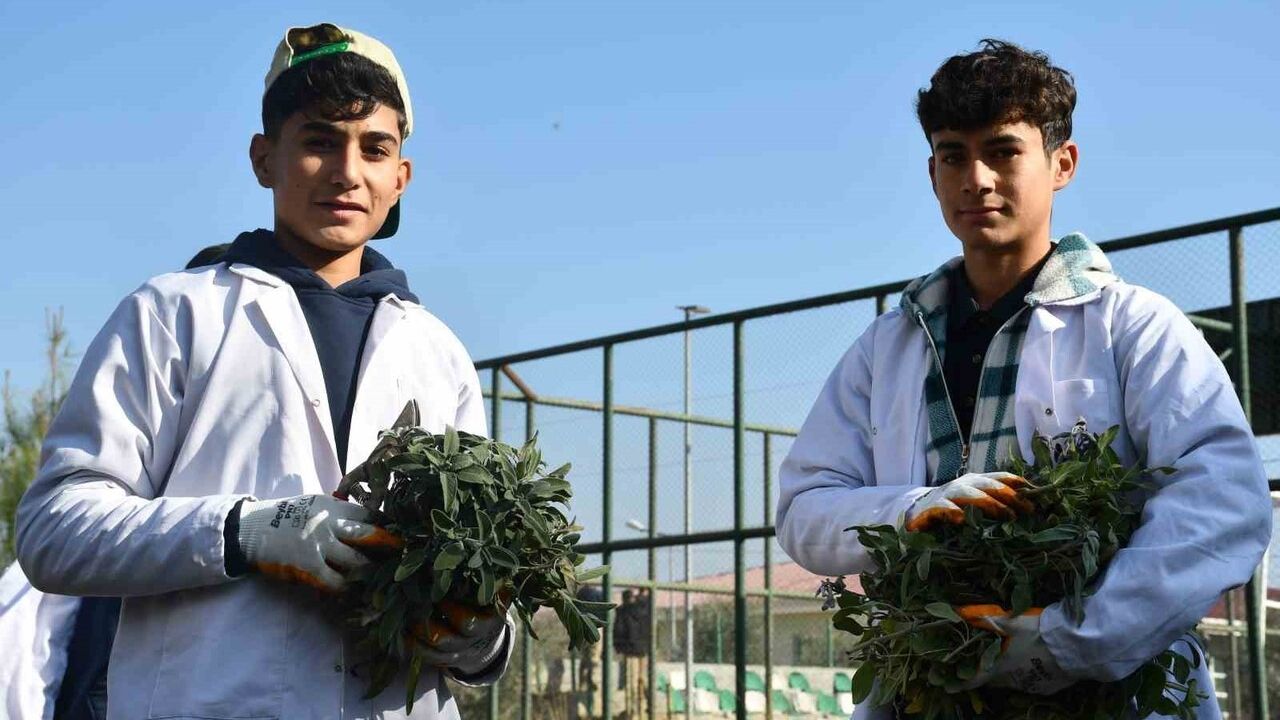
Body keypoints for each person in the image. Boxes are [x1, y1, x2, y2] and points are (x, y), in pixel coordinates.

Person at [17, 23, 511, 719]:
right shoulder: (175, 314)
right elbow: (53, 532)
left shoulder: (439, 353)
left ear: (401, 178)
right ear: (263, 158)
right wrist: (244, 533)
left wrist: (483, 640)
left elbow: (472, 571)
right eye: (318, 142)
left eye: (375, 149)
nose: (348, 172)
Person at [776, 39, 1271, 719]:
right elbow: (805, 507)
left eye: (1002, 151)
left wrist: (1067, 639)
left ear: (1061, 163)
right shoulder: (886, 346)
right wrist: (918, 510)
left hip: (1117, 695)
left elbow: (1224, 500)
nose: (975, 178)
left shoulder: (1131, 325)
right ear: (931, 173)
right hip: (929, 692)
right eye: (953, 155)